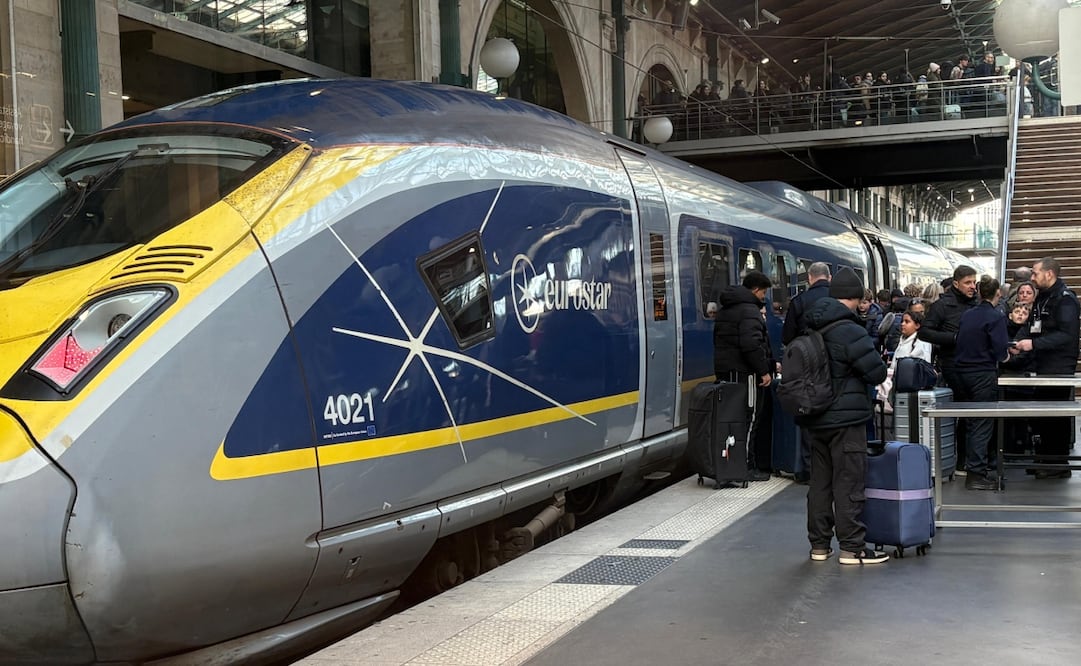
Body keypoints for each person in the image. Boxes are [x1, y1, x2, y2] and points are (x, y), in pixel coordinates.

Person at [801, 268, 889, 565]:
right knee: (849, 481)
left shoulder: (811, 325)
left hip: (816, 416)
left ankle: (819, 546)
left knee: (820, 483)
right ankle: (852, 547)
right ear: (855, 298)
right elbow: (876, 372)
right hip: (846, 420)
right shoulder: (851, 330)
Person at [1010, 257, 1081, 479]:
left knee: (1055, 416)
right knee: (1043, 415)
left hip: (1059, 365)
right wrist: (1017, 343)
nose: (1032, 277)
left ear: (1049, 274)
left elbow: (1066, 335)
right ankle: (1045, 457)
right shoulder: (1043, 297)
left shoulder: (1065, 300)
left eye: (1035, 273)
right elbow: (1033, 325)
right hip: (1042, 363)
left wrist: (1034, 344)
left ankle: (1057, 462)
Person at [714, 270, 775, 482]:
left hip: (726, 373)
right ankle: (746, 467)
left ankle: (728, 465)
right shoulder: (749, 311)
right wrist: (764, 371)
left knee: (729, 420)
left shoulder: (726, 309)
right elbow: (751, 345)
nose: (764, 298)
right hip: (746, 375)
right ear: (756, 290)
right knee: (749, 419)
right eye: (763, 293)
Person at [954, 276, 1011, 490]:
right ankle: (976, 473)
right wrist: (1008, 355)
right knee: (982, 423)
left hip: (962, 372)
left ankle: (971, 465)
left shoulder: (968, 314)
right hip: (982, 373)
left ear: (979, 292)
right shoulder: (995, 316)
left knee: (970, 422)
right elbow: (1000, 350)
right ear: (998, 293)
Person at [918, 265, 978, 464]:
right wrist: (953, 338)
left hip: (975, 365)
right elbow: (925, 332)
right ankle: (961, 459)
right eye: (968, 282)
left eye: (974, 282)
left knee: (972, 413)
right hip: (953, 364)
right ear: (956, 284)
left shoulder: (977, 304)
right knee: (964, 411)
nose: (972, 286)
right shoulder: (942, 306)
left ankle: (967, 458)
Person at [781, 261, 832, 483]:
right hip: (833, 365)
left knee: (808, 412)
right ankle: (831, 466)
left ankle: (809, 469)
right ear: (829, 278)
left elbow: (787, 337)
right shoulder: (838, 299)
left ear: (809, 278)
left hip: (808, 367)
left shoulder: (799, 301)